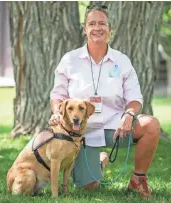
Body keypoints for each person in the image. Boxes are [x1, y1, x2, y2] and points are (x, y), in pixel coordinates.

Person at [49, 5, 160, 198]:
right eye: (92, 23)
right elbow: (57, 95)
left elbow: (134, 97)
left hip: (115, 127)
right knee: (89, 188)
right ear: (85, 29)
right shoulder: (70, 60)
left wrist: (129, 114)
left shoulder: (122, 60)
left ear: (110, 29)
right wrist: (57, 113)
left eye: (102, 23)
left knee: (150, 125)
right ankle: (101, 160)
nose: (97, 28)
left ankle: (137, 180)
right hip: (79, 132)